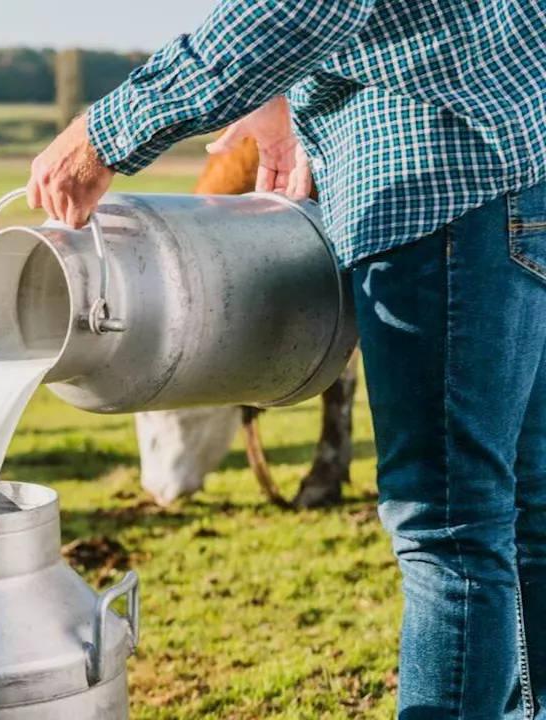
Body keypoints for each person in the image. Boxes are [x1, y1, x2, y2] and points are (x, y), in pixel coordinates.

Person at [28, 2, 546, 717]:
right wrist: (284, 95)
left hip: (437, 179)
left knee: (450, 522)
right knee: (521, 504)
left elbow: (296, 9)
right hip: (514, 170)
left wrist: (103, 134)